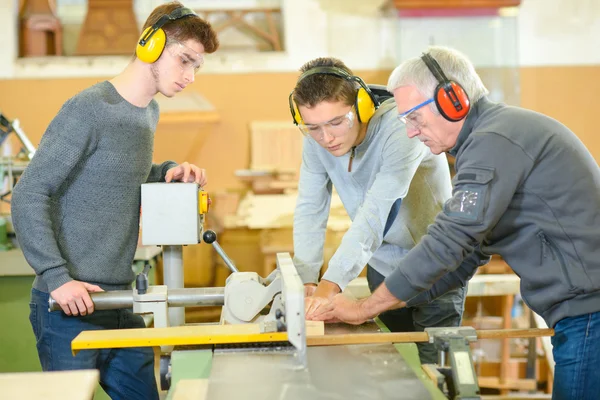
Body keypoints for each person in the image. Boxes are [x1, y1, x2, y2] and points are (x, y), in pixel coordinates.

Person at [313, 46, 600, 400]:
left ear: (453, 100)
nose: (412, 133)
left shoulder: (494, 142)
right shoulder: (490, 140)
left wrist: (363, 308)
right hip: (583, 312)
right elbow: (467, 253)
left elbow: (450, 238)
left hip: (591, 312)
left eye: (415, 118)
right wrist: (390, 301)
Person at [11, 2, 219, 399]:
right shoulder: (90, 108)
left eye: (198, 67)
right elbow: (30, 192)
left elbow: (119, 174)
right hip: (69, 307)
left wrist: (167, 172)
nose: (191, 76)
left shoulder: (147, 112)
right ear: (150, 45)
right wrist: (57, 279)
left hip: (120, 302)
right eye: (185, 61)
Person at [290, 57, 476, 364]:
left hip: (435, 267)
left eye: (337, 122)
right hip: (384, 268)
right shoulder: (316, 140)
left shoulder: (402, 127)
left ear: (361, 106)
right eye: (314, 127)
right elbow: (311, 207)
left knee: (439, 372)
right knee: (398, 368)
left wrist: (330, 286)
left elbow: (378, 211)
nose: (327, 138)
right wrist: (307, 280)